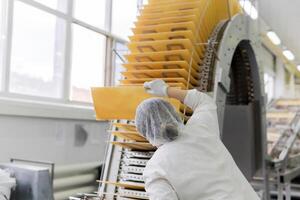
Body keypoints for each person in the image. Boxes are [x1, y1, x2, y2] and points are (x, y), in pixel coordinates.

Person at [135, 79, 260, 200]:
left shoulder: (155, 169)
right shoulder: (201, 128)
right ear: (172, 113)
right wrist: (165, 90)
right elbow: (204, 101)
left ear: (147, 134)